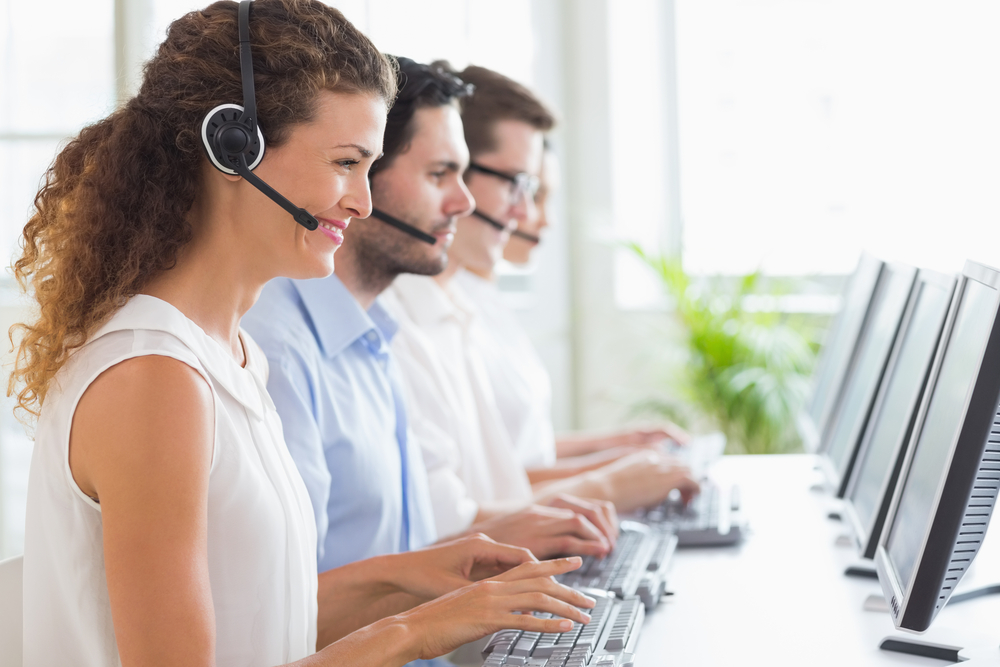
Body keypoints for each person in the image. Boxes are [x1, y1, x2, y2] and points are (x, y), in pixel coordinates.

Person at [13, 4, 591, 666]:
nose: (362, 201)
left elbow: (263, 619)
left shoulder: (231, 356)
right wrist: (410, 630)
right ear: (234, 148)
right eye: (346, 162)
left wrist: (416, 578)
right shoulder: (154, 378)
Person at [243, 56, 616, 578]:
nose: (464, 203)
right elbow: (286, 612)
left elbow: (412, 551)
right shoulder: (277, 351)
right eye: (441, 174)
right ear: (363, 175)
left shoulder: (373, 338)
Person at [388, 64, 699, 516]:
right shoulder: (399, 323)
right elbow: (452, 517)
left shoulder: (459, 306)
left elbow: (503, 473)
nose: (528, 213)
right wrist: (609, 480)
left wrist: (621, 455)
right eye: (517, 184)